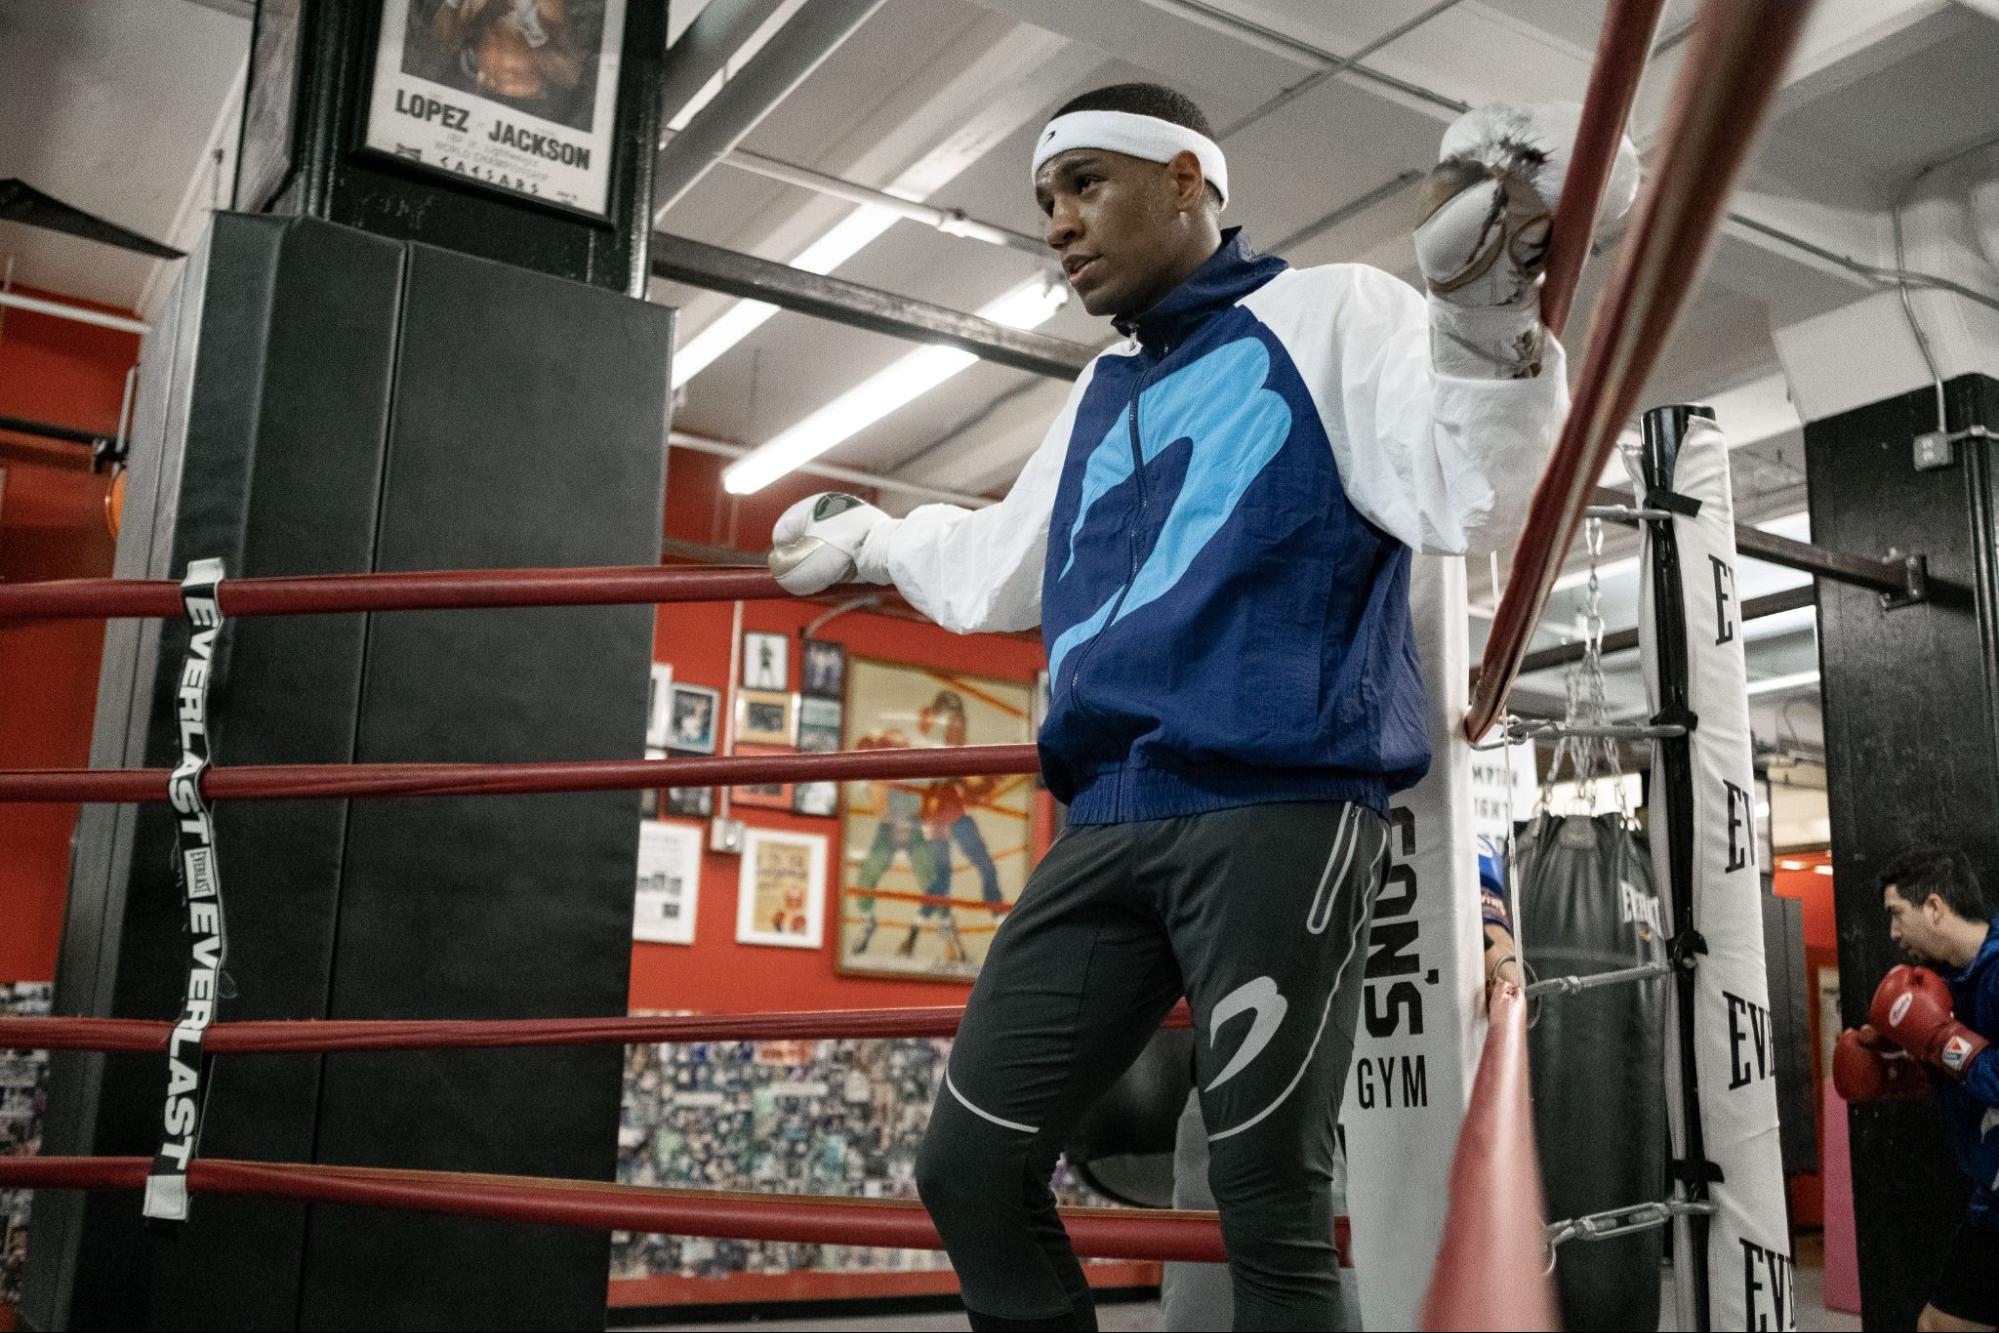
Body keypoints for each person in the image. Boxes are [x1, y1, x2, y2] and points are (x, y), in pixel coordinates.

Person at [767, 83, 1634, 1330]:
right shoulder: (1096, 393)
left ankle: (1494, 285)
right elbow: (997, 563)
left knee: (1263, 1190)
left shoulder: (1330, 310)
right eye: (1046, 204)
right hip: (1106, 821)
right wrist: (875, 538)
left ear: (1188, 180)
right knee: (966, 1167)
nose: (1059, 225)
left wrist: (1488, 326)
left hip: (1277, 808)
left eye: (1085, 186)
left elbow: (1463, 489)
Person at [1835, 847, 1999, 1333]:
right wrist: (1902, 1071)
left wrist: (1938, 1040)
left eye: (1896, 914)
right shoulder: (1946, 986)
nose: (1892, 932)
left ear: (1933, 906)